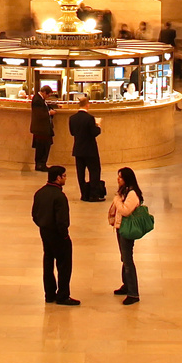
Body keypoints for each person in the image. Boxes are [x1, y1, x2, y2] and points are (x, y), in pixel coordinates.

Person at [31, 166, 79, 305]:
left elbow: (34, 215)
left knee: (48, 262)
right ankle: (63, 295)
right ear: (58, 177)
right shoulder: (59, 196)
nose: (65, 178)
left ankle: (49, 294)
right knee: (64, 265)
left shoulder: (39, 193)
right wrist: (64, 236)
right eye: (64, 175)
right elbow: (62, 220)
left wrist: (43, 226)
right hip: (58, 235)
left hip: (45, 233)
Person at [107, 167, 145, 305]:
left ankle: (133, 293)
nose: (118, 179)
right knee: (124, 258)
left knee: (128, 260)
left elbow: (125, 210)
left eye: (121, 177)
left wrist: (117, 200)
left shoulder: (132, 194)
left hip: (127, 230)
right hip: (121, 228)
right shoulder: (125, 192)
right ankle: (126, 285)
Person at [68, 95, 103, 200]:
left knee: (80, 173)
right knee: (94, 171)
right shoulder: (90, 118)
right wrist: (98, 126)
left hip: (78, 149)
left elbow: (72, 132)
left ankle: (83, 194)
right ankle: (93, 194)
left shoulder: (72, 118)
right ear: (87, 105)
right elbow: (94, 133)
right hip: (90, 149)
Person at [30, 85, 55, 171]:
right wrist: (49, 113)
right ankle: (40, 165)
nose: (48, 97)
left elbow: (45, 107)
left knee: (43, 147)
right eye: (48, 95)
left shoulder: (40, 99)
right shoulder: (37, 100)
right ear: (44, 93)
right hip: (41, 129)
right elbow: (39, 114)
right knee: (42, 148)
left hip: (42, 129)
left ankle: (41, 164)